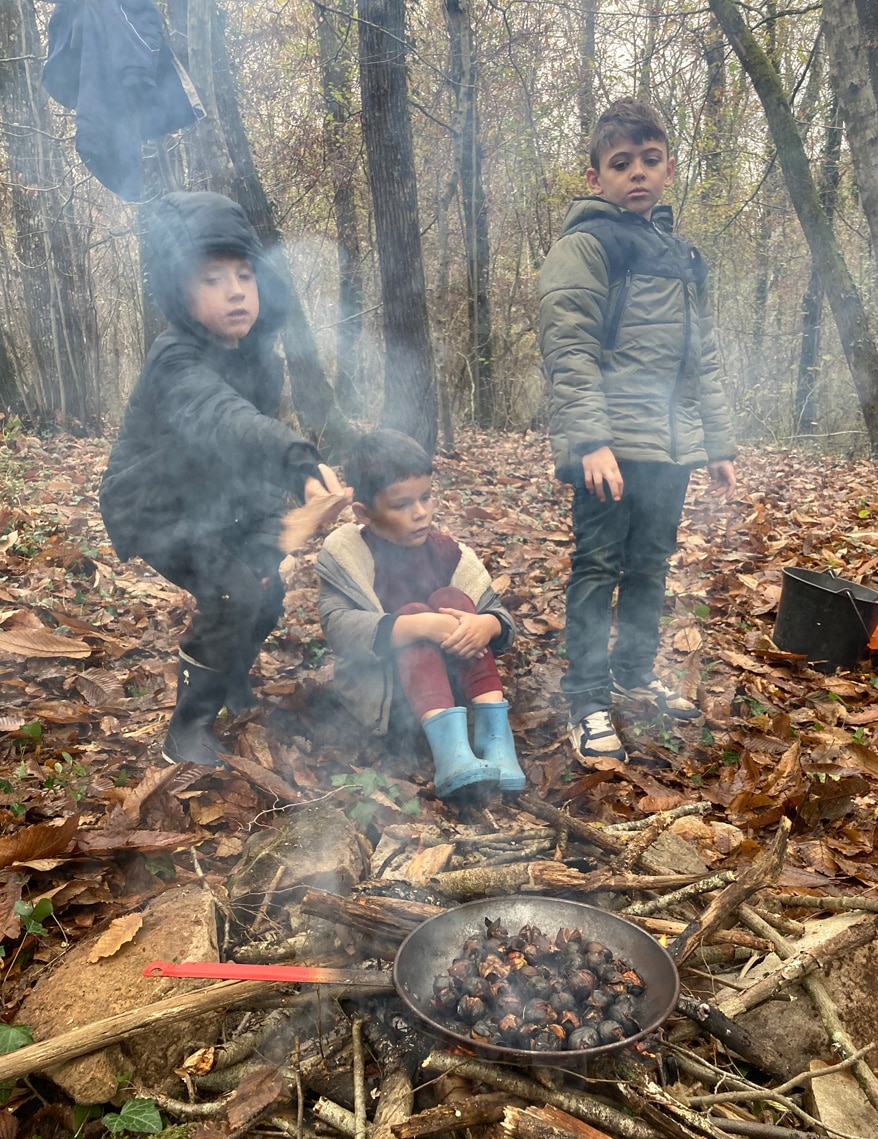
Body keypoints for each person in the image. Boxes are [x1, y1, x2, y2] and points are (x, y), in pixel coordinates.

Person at [99, 191, 348, 766]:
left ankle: (230, 677)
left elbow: (245, 447)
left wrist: (285, 504)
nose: (235, 290)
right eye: (212, 279)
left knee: (266, 589)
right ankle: (186, 731)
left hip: (222, 497)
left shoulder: (259, 357)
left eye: (244, 274)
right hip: (157, 506)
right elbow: (226, 420)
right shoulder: (175, 360)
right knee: (234, 592)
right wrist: (298, 461)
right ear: (180, 294)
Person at [537, 97, 737, 768]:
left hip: (670, 446)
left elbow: (702, 357)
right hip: (611, 446)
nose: (638, 173)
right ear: (595, 177)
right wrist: (590, 440)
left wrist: (716, 444)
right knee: (597, 566)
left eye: (650, 160)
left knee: (651, 564)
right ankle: (586, 700)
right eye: (621, 164)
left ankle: (632, 675)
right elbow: (568, 347)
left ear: (670, 168)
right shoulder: (587, 244)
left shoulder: (682, 255)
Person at [315, 430, 525, 799]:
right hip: (390, 698)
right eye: (401, 505)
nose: (420, 512)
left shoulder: (449, 554)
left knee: (453, 599)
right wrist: (418, 625)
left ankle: (496, 741)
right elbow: (339, 627)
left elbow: (498, 614)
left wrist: (486, 625)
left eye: (426, 497)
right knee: (413, 613)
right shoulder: (349, 557)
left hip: (455, 693)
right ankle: (450, 756)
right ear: (364, 513)